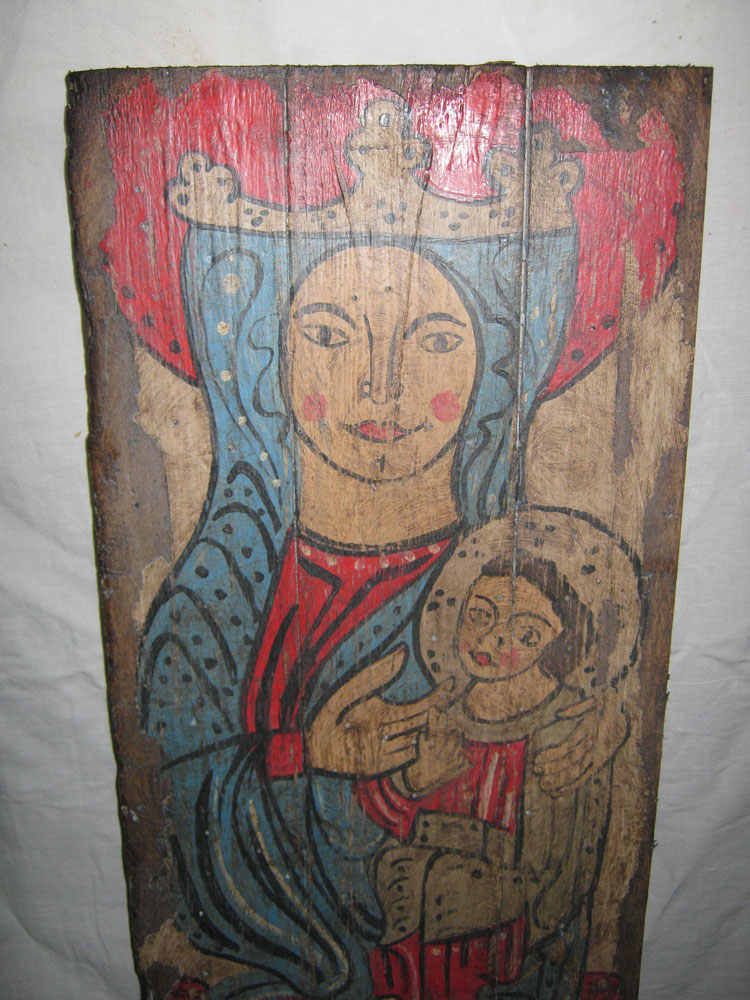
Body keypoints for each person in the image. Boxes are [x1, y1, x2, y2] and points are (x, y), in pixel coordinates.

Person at [139, 103, 604, 1000]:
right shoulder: (212, 606)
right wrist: (302, 757)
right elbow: (172, 811)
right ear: (269, 362)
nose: (381, 386)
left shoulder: (509, 597)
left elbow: (552, 842)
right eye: (327, 335)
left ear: (492, 373)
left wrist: (588, 739)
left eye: (435, 341)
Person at [359, 510, 642, 1000]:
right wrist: (413, 783)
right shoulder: (440, 709)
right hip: (416, 949)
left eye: (526, 634)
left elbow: (564, 875)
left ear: (559, 645)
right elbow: (372, 802)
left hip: (504, 960)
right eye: (480, 614)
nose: (491, 640)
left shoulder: (568, 736)